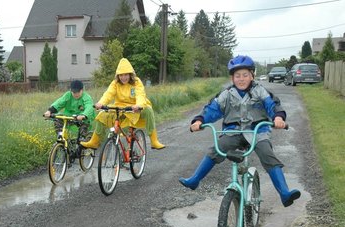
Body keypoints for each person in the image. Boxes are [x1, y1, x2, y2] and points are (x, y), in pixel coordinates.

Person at [178, 55, 301, 207]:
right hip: (233, 132)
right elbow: (212, 109)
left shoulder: (260, 91)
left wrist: (278, 118)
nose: (241, 79)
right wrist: (199, 121)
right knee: (217, 148)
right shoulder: (226, 94)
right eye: (237, 76)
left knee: (267, 153)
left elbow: (273, 105)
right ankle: (195, 179)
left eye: (245, 75)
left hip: (257, 131)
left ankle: (284, 192)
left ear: (252, 76)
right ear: (232, 78)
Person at [80, 58, 165, 150]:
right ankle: (94, 142)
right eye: (121, 75)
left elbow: (141, 94)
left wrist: (139, 105)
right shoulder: (115, 83)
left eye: (126, 75)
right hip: (120, 107)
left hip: (134, 107)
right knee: (102, 115)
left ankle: (154, 141)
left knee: (148, 110)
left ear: (130, 74)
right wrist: (101, 103)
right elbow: (108, 94)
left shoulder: (136, 82)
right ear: (118, 75)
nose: (123, 77)